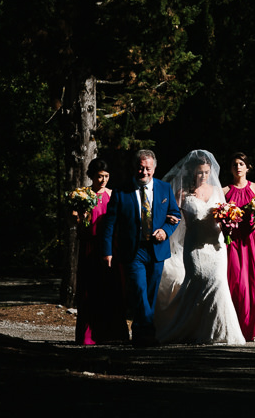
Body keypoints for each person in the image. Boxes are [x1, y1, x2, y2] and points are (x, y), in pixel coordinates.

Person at [154, 150, 245, 345]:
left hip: (216, 245)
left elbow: (225, 214)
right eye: (200, 172)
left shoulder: (217, 190)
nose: (203, 176)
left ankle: (221, 331)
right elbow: (178, 221)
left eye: (206, 172)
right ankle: (192, 328)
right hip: (195, 246)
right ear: (193, 172)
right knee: (196, 281)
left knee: (219, 282)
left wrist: (228, 220)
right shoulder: (182, 194)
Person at [100, 149, 181, 347]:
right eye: (140, 168)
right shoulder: (121, 191)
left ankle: (139, 332)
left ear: (154, 168)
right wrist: (107, 251)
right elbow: (110, 223)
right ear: (134, 168)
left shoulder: (164, 188)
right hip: (132, 251)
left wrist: (165, 231)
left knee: (151, 293)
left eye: (148, 168)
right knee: (138, 290)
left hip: (157, 249)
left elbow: (174, 215)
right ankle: (147, 332)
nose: (144, 172)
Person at [75, 159, 129, 345]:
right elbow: (78, 227)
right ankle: (89, 335)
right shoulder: (82, 195)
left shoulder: (113, 195)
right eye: (100, 176)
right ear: (92, 176)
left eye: (106, 176)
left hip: (110, 247)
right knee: (90, 289)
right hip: (90, 245)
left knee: (111, 288)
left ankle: (113, 333)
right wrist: (81, 218)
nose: (103, 180)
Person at [223, 152, 255, 341]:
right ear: (230, 168)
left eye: (241, 164)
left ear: (248, 167)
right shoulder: (225, 190)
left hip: (251, 239)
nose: (238, 167)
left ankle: (252, 327)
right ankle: (235, 327)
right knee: (236, 281)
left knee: (251, 281)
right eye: (234, 164)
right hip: (232, 241)